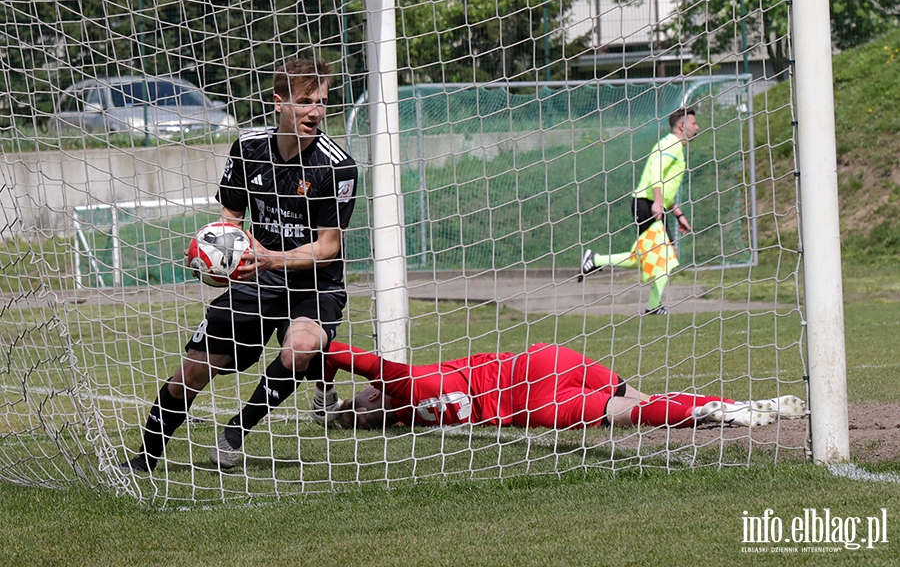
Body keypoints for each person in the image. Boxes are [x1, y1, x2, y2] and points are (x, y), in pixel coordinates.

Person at [120, 57, 358, 473]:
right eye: (306, 102)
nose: (316, 112)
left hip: (313, 286)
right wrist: (216, 256)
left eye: (322, 102)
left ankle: (235, 434)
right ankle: (144, 462)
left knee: (301, 345)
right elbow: (230, 220)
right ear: (279, 101)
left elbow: (328, 247)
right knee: (191, 372)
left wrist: (270, 258)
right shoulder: (247, 149)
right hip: (256, 281)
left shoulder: (337, 166)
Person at [320, 341, 804, 431]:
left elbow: (363, 367)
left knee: (631, 413)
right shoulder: (408, 386)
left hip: (533, 406)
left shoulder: (412, 403)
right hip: (543, 362)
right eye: (358, 404)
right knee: (636, 403)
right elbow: (358, 358)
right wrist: (319, 346)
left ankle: (726, 411)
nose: (362, 398)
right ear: (375, 398)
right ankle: (730, 406)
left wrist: (333, 404)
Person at [579, 107, 700, 316]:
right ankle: (653, 306)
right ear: (682, 126)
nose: (698, 127)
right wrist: (657, 204)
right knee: (666, 254)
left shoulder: (669, 144)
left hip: (649, 203)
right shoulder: (673, 144)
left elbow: (666, 186)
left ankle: (595, 260)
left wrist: (678, 214)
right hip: (647, 204)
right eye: (694, 124)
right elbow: (656, 172)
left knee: (644, 257)